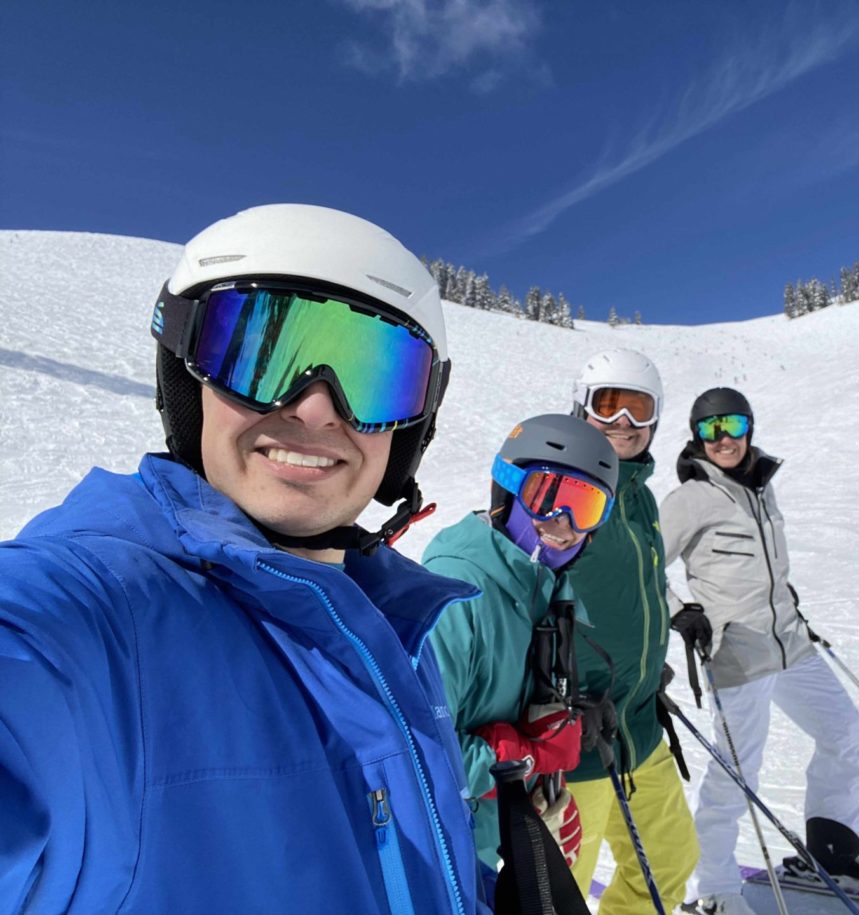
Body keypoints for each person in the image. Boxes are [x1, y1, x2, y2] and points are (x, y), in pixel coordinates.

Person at [0, 204, 493, 914]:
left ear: (412, 429)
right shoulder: (101, 624)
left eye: (374, 376)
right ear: (185, 377)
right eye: (262, 356)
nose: (318, 409)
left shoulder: (396, 628)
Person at [662, 387, 859, 915]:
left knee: (843, 730)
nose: (724, 439)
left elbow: (765, 569)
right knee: (737, 775)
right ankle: (716, 891)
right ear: (697, 436)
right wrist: (679, 610)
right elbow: (644, 564)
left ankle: (832, 850)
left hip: (789, 644)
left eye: (733, 426)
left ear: (749, 429)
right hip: (737, 653)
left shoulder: (761, 488)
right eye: (711, 429)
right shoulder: (691, 499)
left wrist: (788, 603)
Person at [424, 413, 619, 873]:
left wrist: (540, 797)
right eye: (546, 496)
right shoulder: (456, 592)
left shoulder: (548, 593)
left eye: (585, 508)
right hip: (447, 857)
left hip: (498, 849)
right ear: (506, 490)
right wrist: (521, 763)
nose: (563, 523)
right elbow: (420, 753)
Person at [563, 349, 699, 914]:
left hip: (638, 724)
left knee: (668, 860)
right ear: (581, 408)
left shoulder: (641, 498)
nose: (624, 422)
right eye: (610, 405)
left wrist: (665, 626)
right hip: (574, 741)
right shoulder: (557, 488)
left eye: (638, 410)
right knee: (559, 892)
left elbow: (643, 577)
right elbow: (509, 593)